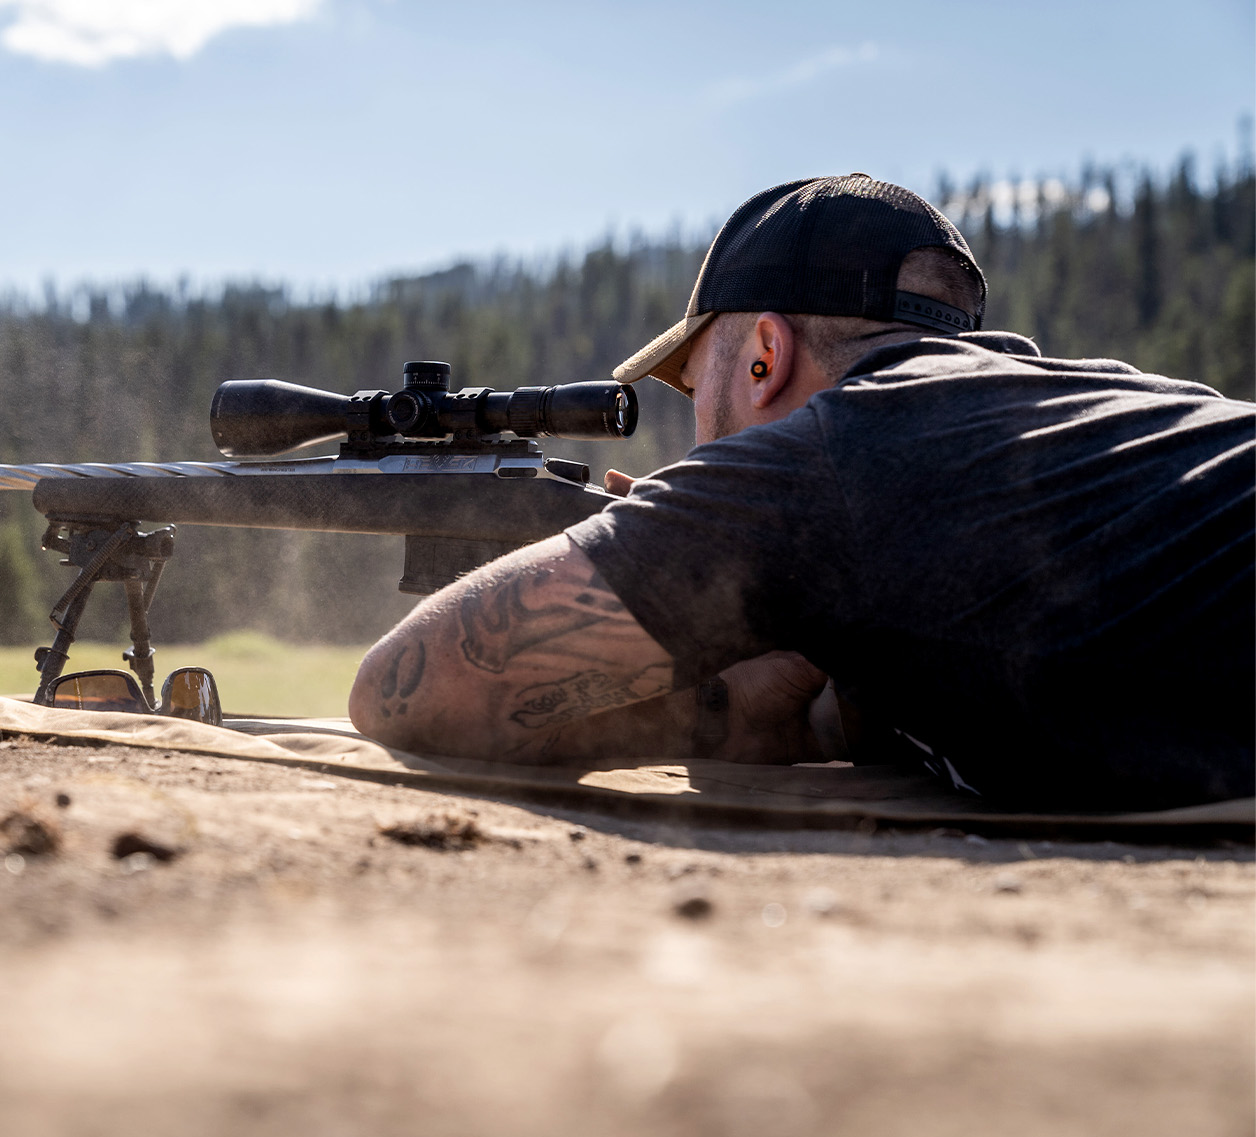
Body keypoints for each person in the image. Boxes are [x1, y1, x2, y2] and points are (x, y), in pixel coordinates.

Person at [347, 174, 1254, 810]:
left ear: (765, 356)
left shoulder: (837, 457)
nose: (700, 426)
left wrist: (697, 562)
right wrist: (754, 684)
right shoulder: (1135, 409)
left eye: (699, 385)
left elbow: (406, 693)